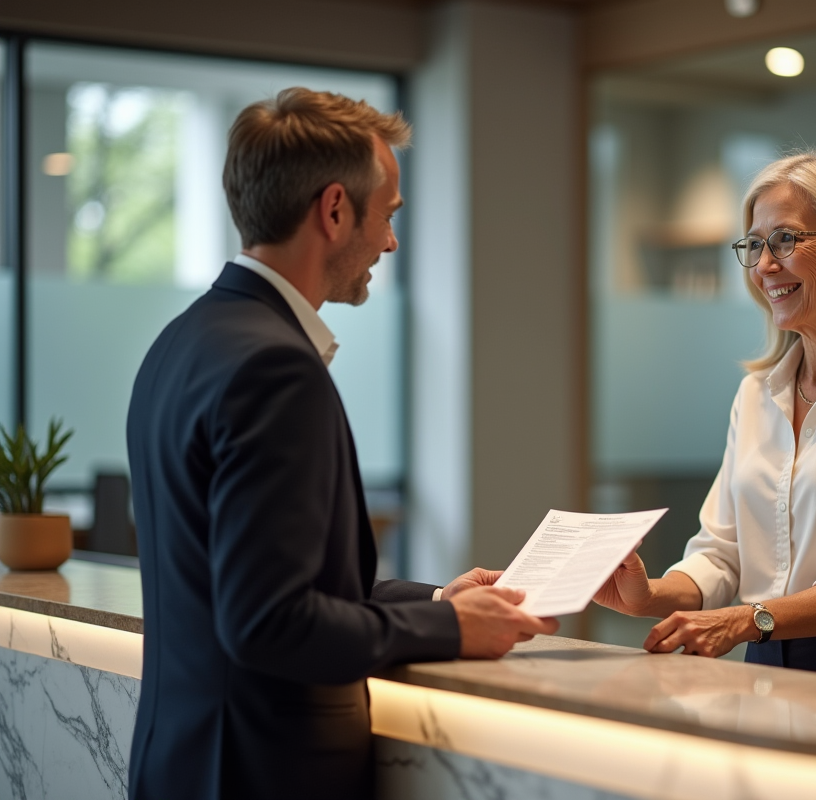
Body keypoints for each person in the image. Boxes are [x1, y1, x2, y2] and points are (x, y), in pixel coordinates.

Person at [126, 88, 558, 800]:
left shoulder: (181, 342)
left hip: (181, 761)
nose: (390, 242)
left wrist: (438, 599)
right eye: (387, 215)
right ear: (333, 210)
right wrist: (447, 628)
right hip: (260, 773)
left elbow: (262, 580)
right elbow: (269, 622)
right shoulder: (274, 366)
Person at [595, 150, 816, 690]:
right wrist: (649, 596)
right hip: (766, 665)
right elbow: (722, 555)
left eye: (786, 240)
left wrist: (748, 620)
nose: (766, 266)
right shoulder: (755, 395)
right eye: (755, 245)